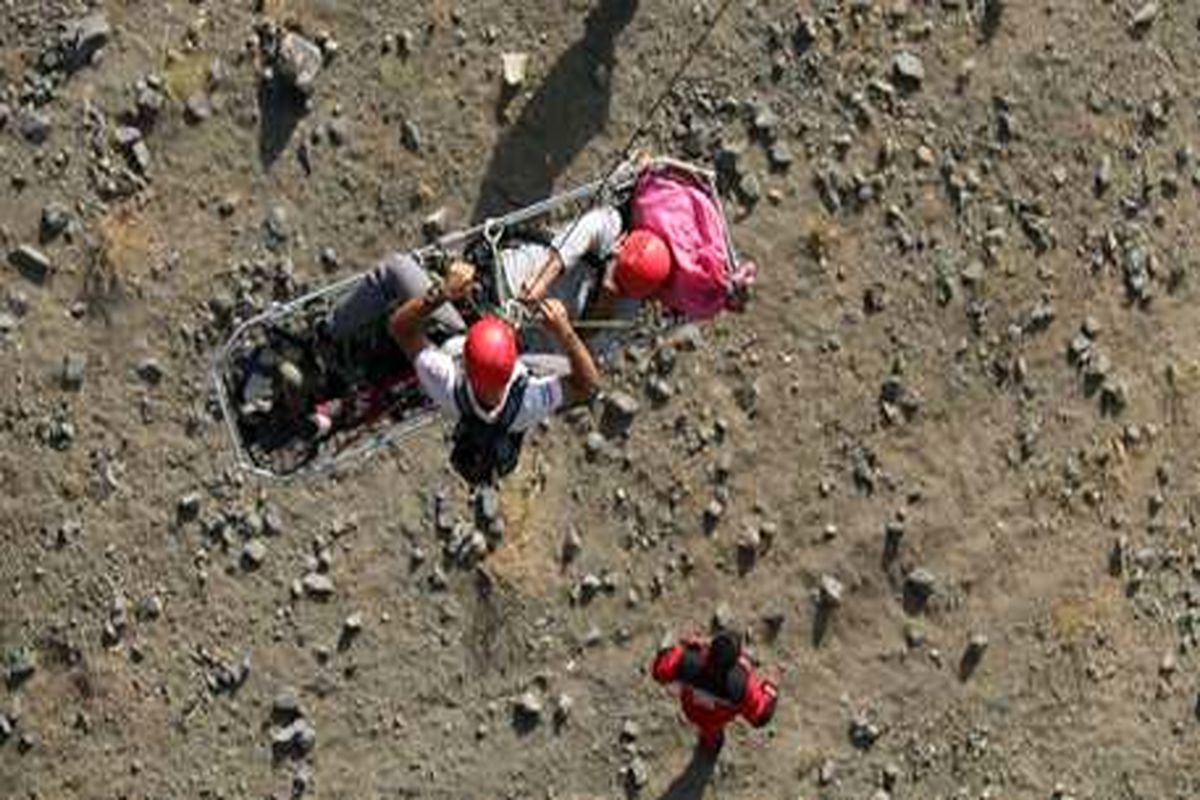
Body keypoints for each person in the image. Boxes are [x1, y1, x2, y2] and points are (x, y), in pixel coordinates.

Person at [386, 259, 601, 484]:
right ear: (515, 365)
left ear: (465, 363)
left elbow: (399, 328)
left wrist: (443, 291)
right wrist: (564, 331)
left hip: (454, 339)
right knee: (574, 366)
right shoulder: (529, 402)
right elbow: (590, 385)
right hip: (489, 380)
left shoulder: (443, 377)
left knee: (394, 269)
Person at [651, 629, 778, 754]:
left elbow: (659, 671)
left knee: (706, 728)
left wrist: (687, 646)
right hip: (715, 720)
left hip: (691, 710)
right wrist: (770, 688)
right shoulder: (742, 686)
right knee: (712, 733)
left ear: (709, 651)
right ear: (734, 662)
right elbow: (760, 717)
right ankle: (712, 746)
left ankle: (710, 744)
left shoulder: (687, 662)